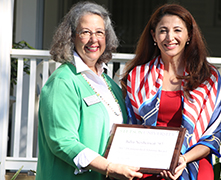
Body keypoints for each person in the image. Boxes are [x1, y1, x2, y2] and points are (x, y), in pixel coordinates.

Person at [36, 2, 143, 180]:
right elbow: (63, 142)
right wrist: (109, 167)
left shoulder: (109, 83)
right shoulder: (63, 81)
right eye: (85, 32)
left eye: (99, 33)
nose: (94, 39)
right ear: (71, 37)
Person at [121, 4, 221, 180]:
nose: (170, 37)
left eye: (177, 30)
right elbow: (132, 129)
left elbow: (214, 134)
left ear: (189, 35)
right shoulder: (137, 76)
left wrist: (183, 159)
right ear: (154, 35)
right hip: (148, 165)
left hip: (193, 163)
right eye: (163, 30)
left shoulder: (208, 77)